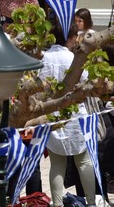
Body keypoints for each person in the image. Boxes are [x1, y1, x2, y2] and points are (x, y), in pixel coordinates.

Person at [40, 24, 96, 207]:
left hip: (52, 115)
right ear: (71, 37)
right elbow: (86, 81)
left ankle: (57, 204)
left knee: (57, 164)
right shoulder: (73, 57)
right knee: (84, 162)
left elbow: (40, 86)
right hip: (75, 114)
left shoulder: (45, 58)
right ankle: (91, 202)